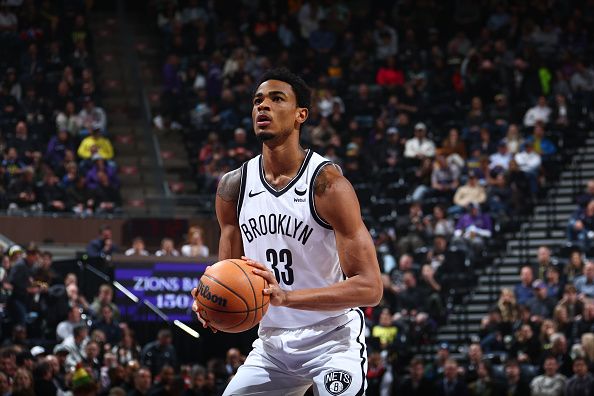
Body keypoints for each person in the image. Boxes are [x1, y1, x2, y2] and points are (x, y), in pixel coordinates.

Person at [191, 68, 383, 395]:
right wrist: (211, 301)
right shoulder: (232, 187)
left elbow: (370, 288)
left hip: (332, 339)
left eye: (276, 99)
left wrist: (286, 297)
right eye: (257, 101)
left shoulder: (327, 185)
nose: (263, 107)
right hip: (272, 344)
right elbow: (228, 273)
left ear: (300, 115)